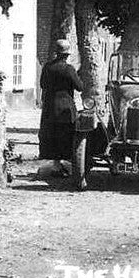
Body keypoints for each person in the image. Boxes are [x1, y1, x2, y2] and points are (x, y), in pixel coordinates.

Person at [38, 39, 83, 178]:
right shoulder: (68, 69)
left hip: (50, 106)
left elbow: (42, 84)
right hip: (65, 108)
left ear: (56, 53)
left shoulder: (47, 67)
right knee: (66, 135)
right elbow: (80, 87)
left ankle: (56, 165)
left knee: (52, 135)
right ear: (67, 54)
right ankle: (65, 165)